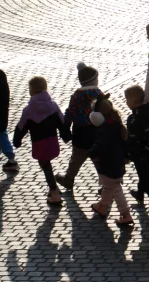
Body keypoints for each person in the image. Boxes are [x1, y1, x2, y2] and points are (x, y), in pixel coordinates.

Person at [13, 76, 69, 206]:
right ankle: (54, 189)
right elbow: (62, 122)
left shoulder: (28, 111)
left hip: (39, 144)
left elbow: (21, 127)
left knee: (45, 166)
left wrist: (17, 141)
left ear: (31, 90)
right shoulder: (53, 106)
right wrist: (66, 136)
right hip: (52, 143)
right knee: (47, 165)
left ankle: (54, 193)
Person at [56, 62, 104, 191]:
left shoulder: (76, 95)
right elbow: (105, 111)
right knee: (99, 160)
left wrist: (65, 129)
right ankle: (106, 184)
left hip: (80, 133)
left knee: (76, 159)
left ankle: (68, 179)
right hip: (95, 132)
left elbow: (69, 113)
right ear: (94, 80)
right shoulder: (98, 94)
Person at [88, 98, 133, 226]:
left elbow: (100, 147)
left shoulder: (103, 130)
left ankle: (126, 214)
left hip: (108, 165)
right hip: (117, 163)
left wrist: (90, 152)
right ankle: (101, 206)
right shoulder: (117, 124)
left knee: (115, 188)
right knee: (109, 187)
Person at [124, 84, 149, 204]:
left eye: (127, 99)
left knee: (146, 177)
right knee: (145, 173)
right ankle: (140, 193)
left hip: (140, 153)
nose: (126, 102)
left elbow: (132, 139)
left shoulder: (134, 118)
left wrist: (128, 154)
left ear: (133, 100)